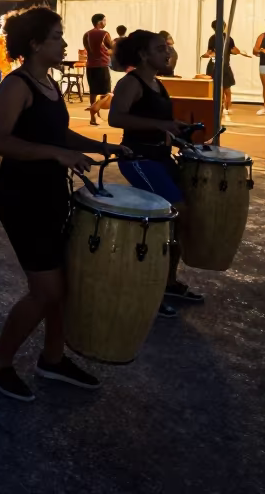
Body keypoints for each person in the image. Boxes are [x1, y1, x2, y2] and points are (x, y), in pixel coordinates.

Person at [0, 6, 121, 401]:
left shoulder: (49, 83)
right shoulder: (17, 84)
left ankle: (53, 358)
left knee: (63, 286)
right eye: (58, 36)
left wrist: (105, 147)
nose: (64, 42)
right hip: (21, 197)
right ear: (36, 43)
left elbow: (59, 133)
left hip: (50, 194)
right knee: (45, 291)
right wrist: (54, 154)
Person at [108, 30, 204, 316]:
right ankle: (149, 287)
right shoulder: (131, 83)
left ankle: (168, 281)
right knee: (173, 215)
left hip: (159, 157)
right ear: (142, 54)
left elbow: (159, 121)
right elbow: (116, 117)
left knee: (177, 221)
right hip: (138, 158)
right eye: (160, 48)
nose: (167, 53)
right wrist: (159, 126)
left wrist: (176, 127)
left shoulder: (158, 84)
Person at [202, 21, 250, 117]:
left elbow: (233, 50)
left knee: (226, 89)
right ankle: (221, 108)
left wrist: (240, 52)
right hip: (214, 66)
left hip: (224, 66)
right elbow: (210, 52)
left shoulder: (227, 38)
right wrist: (207, 55)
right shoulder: (213, 38)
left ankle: (226, 108)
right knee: (219, 89)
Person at [83, 13, 114, 126]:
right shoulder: (105, 34)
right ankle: (96, 108)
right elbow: (111, 47)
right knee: (107, 93)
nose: (105, 23)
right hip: (102, 65)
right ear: (100, 22)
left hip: (90, 65)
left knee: (93, 91)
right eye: (105, 20)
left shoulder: (86, 34)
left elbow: (88, 49)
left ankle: (94, 117)